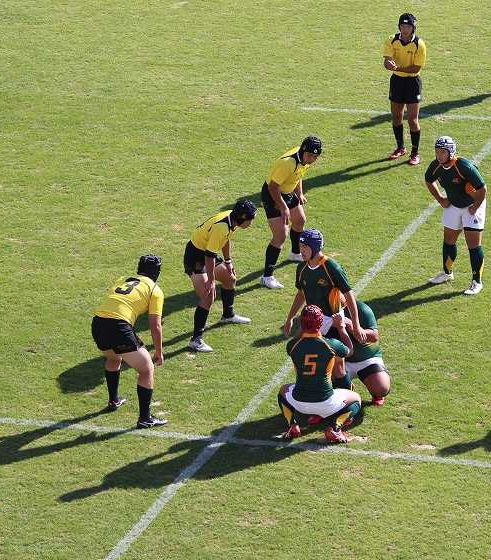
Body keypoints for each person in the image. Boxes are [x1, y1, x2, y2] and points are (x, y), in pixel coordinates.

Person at [91, 255, 168, 428]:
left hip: (98, 323)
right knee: (147, 369)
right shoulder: (155, 290)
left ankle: (113, 400)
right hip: (118, 326)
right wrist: (159, 351)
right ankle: (145, 418)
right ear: (156, 272)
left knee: (113, 358)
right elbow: (155, 325)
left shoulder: (123, 279)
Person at [278, 305, 362, 443]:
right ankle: (335, 428)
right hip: (326, 403)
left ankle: (292, 425)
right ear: (321, 322)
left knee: (283, 390)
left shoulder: (291, 345)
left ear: (301, 322)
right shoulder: (332, 344)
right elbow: (350, 350)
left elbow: (302, 341)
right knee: (356, 399)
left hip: (299, 402)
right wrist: (341, 328)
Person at [184, 199, 258, 353]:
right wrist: (211, 280)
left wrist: (228, 262)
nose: (251, 223)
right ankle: (195, 340)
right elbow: (209, 256)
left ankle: (228, 315)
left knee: (229, 278)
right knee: (208, 296)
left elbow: (226, 239)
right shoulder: (222, 226)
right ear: (242, 217)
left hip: (206, 252)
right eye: (250, 219)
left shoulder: (232, 219)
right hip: (196, 257)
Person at [423, 136, 488, 295]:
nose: (439, 155)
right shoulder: (436, 166)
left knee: (473, 245)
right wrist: (440, 199)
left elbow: (482, 189)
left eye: (442, 152)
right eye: (437, 151)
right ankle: (447, 273)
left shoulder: (464, 166)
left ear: (451, 152)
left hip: (472, 205)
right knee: (449, 240)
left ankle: (477, 282)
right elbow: (428, 180)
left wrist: (475, 207)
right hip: (454, 204)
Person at [259, 136, 323, 289]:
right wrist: (283, 207)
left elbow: (298, 175)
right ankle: (267, 276)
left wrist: (299, 193)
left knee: (300, 220)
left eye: (315, 157)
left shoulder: (304, 159)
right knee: (280, 236)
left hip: (287, 192)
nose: (312, 159)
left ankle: (295, 253)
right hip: (273, 195)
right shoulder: (287, 163)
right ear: (303, 151)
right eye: (310, 156)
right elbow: (273, 187)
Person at [283, 229, 367, 345]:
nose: (301, 250)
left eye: (305, 247)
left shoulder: (332, 267)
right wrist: (289, 318)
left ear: (315, 247)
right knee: (295, 346)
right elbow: (301, 294)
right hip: (312, 319)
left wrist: (356, 325)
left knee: (347, 350)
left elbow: (349, 295)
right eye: (300, 246)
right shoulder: (301, 268)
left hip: (333, 319)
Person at [383, 12, 427, 164]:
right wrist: (388, 64)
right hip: (397, 82)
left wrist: (398, 68)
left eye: (408, 26)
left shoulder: (419, 44)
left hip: (412, 83)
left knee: (413, 120)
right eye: (402, 26)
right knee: (396, 116)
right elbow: (386, 61)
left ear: (413, 28)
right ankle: (400, 147)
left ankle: (415, 153)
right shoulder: (392, 40)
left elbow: (416, 68)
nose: (405, 29)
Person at [333, 299, 391, 407]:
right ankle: (345, 388)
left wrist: (352, 327)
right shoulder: (322, 311)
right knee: (324, 388)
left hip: (367, 358)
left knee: (381, 388)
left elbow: (374, 337)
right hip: (339, 361)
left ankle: (377, 393)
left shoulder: (360, 308)